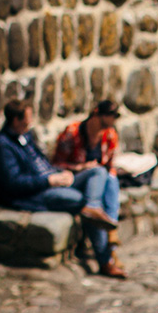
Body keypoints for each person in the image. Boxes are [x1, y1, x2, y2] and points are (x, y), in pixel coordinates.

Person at [0, 99, 126, 278]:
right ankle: (105, 259)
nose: (31, 122)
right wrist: (50, 180)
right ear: (16, 120)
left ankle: (93, 207)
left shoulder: (25, 137)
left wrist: (64, 172)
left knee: (98, 173)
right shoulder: (3, 146)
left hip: (55, 178)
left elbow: (45, 164)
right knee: (80, 201)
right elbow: (13, 184)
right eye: (28, 118)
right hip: (37, 192)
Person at [53, 99, 125, 239]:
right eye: (111, 115)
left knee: (110, 179)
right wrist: (81, 167)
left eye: (116, 116)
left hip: (98, 183)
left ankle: (109, 229)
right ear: (97, 114)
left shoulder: (110, 135)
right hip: (74, 179)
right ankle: (107, 228)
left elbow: (110, 166)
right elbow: (56, 164)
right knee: (99, 172)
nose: (113, 119)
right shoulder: (72, 133)